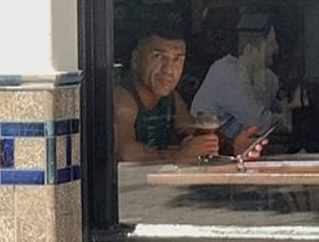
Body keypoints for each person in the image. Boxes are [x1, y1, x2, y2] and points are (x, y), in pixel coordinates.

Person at [114, 26, 266, 163]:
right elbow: (125, 153)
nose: (169, 70)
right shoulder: (122, 99)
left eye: (177, 59)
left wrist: (233, 147)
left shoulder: (171, 99)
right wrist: (179, 155)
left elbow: (193, 132)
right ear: (136, 59)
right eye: (159, 57)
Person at [190, 10, 282, 145]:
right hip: (210, 150)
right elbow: (258, 123)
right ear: (250, 48)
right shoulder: (228, 74)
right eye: (271, 42)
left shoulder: (263, 76)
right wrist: (287, 118)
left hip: (232, 149)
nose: (276, 47)